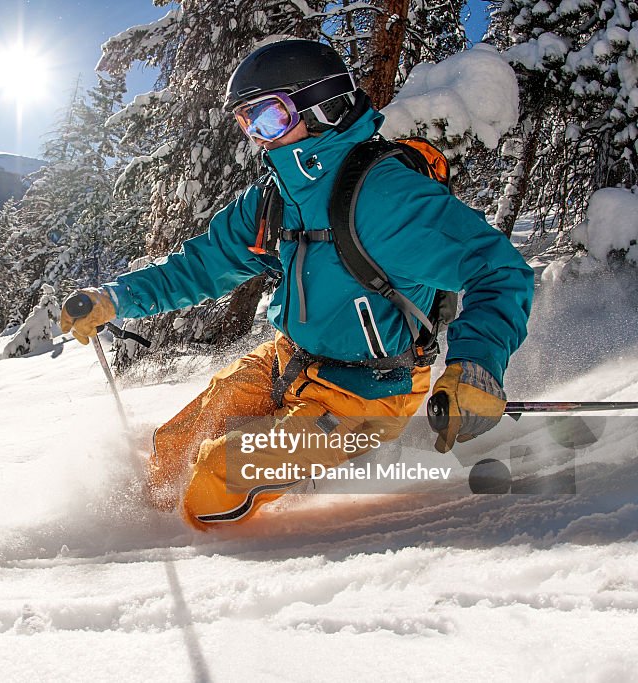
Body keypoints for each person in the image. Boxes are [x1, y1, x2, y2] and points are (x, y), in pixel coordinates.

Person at [60, 39, 533, 531]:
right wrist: (115, 299)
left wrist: (476, 363)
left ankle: (206, 576)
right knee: (170, 451)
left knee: (213, 483)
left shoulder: (386, 196)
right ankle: (136, 537)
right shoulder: (277, 195)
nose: (259, 138)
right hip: (286, 362)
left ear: (322, 106)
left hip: (368, 394)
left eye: (268, 118)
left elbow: (498, 269)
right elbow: (202, 266)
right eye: (248, 124)